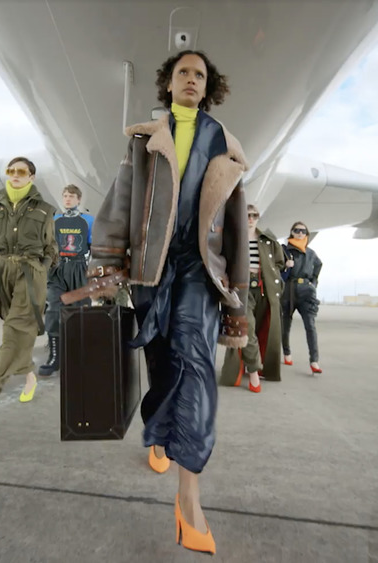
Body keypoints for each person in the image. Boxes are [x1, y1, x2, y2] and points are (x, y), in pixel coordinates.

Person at [88, 50, 248, 555]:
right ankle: (158, 435)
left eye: (200, 75)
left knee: (196, 367)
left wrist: (237, 298)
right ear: (169, 82)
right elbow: (118, 206)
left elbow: (241, 228)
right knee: (160, 362)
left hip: (201, 272)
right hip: (151, 271)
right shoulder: (144, 142)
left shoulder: (225, 145)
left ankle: (189, 497)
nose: (191, 80)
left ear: (208, 86)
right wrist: (108, 266)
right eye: (183, 72)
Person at [0, 157, 58, 426]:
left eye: (21, 172)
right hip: (1, 273)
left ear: (31, 177)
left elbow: (51, 248)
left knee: (14, 330)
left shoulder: (45, 210)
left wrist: (42, 270)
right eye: (11, 171)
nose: (15, 175)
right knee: (17, 329)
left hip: (30, 274)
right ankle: (29, 375)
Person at [218, 204, 287, 391]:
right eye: (247, 215)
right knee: (247, 327)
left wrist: (275, 279)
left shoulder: (268, 239)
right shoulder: (234, 238)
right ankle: (254, 370)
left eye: (254, 215)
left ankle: (258, 366)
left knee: (264, 327)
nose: (250, 218)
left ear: (258, 218)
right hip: (242, 289)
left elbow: (279, 262)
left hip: (265, 289)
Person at [38, 184, 94, 375]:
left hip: (80, 268)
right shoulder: (54, 221)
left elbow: (93, 246)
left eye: (71, 196)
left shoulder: (88, 221)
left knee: (82, 310)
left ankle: (80, 355)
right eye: (65, 196)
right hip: (58, 268)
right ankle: (55, 356)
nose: (68, 199)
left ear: (79, 199)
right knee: (54, 309)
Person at [280, 221, 323, 374]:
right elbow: (277, 268)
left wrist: (313, 283)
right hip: (288, 291)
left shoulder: (311, 253)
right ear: (291, 232)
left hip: (306, 292)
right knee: (285, 324)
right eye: (296, 230)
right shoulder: (284, 250)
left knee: (310, 326)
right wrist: (286, 266)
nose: (299, 233)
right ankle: (286, 352)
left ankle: (314, 360)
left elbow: (318, 266)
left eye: (303, 231)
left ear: (307, 234)